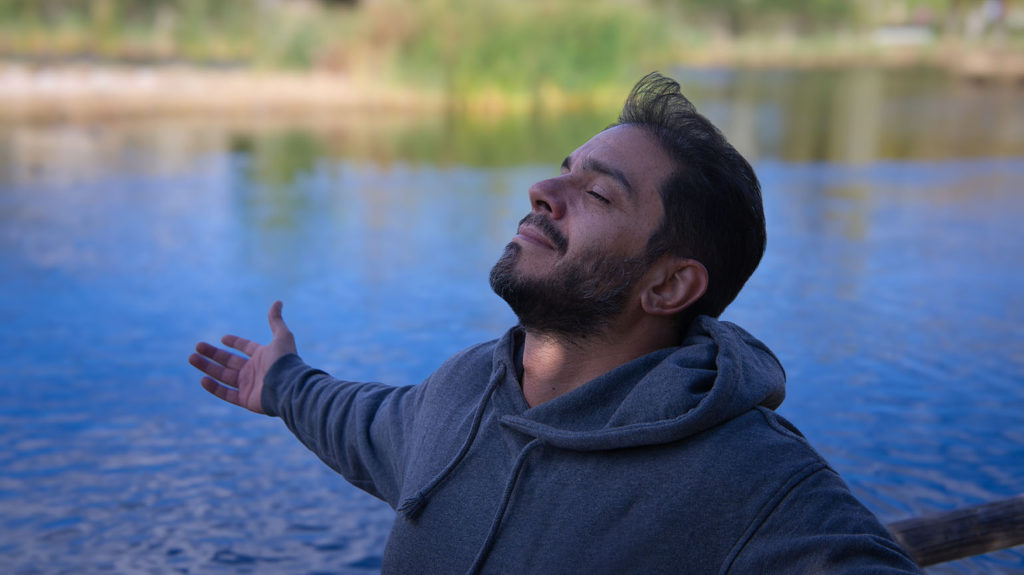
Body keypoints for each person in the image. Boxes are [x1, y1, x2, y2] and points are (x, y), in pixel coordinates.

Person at [189, 72, 922, 574]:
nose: (543, 190)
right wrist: (284, 382)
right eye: (564, 169)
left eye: (597, 194)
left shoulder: (753, 482)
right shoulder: (465, 389)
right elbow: (369, 421)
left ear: (668, 284)